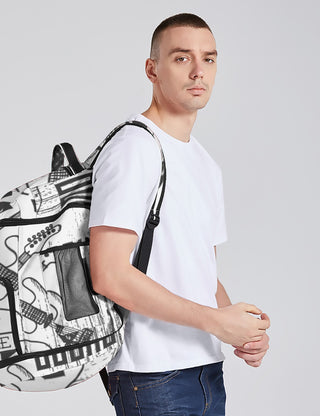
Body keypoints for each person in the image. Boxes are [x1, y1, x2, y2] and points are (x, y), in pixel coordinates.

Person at [88, 13, 270, 416]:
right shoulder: (134, 148)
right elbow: (109, 274)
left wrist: (239, 328)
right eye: (182, 58)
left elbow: (202, 271)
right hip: (152, 374)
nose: (198, 71)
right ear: (152, 70)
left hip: (206, 371)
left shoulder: (205, 164)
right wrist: (215, 322)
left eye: (209, 59)